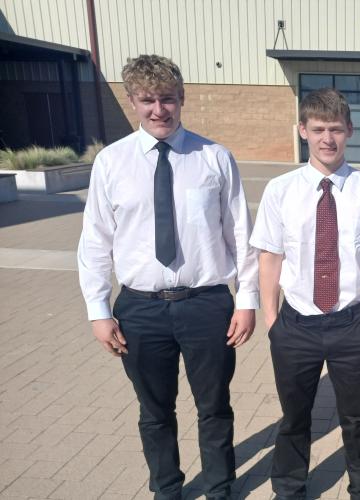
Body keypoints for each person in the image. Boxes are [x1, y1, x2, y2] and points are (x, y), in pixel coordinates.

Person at [77, 54, 258, 500]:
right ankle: (167, 489)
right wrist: (98, 310)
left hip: (206, 305)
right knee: (155, 411)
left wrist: (246, 299)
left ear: (182, 98)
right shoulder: (112, 163)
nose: (159, 110)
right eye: (148, 100)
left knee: (214, 407)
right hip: (140, 310)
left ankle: (219, 488)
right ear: (131, 101)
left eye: (168, 99)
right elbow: (95, 241)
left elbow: (240, 233)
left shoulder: (214, 158)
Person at [250, 87, 360, 500]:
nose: (327, 138)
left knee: (358, 418)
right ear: (303, 130)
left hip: (352, 324)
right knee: (294, 417)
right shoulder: (281, 190)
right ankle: (289, 487)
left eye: (335, 129)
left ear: (349, 130)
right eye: (318, 129)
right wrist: (272, 322)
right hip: (295, 324)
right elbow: (270, 258)